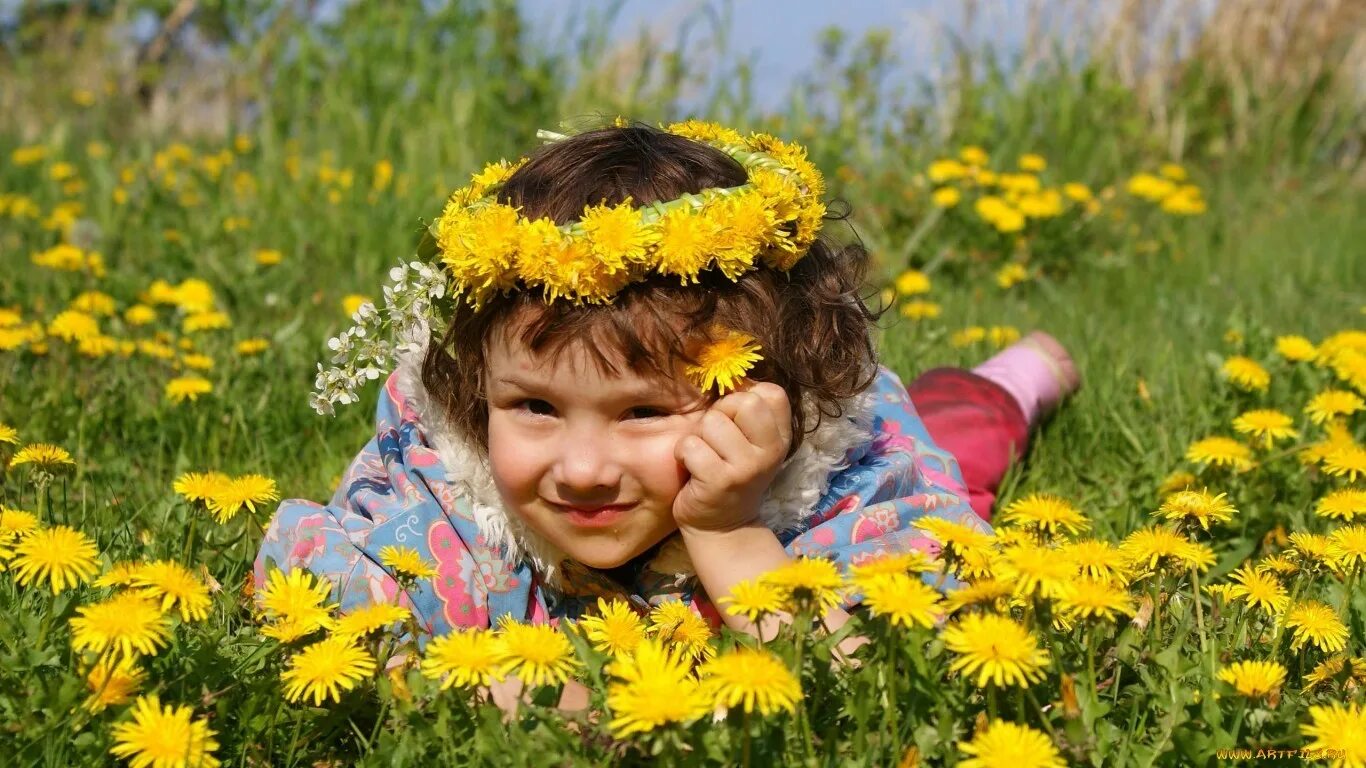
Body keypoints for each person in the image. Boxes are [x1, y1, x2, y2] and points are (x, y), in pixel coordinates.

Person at [254, 119, 1079, 651]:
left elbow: (879, 658)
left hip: (840, 476)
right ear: (478, 393)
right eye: (534, 406)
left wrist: (726, 530)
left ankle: (1015, 379)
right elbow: (314, 588)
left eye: (643, 411)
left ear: (761, 398)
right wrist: (505, 693)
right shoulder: (447, 481)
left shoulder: (847, 468)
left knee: (965, 448)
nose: (581, 468)